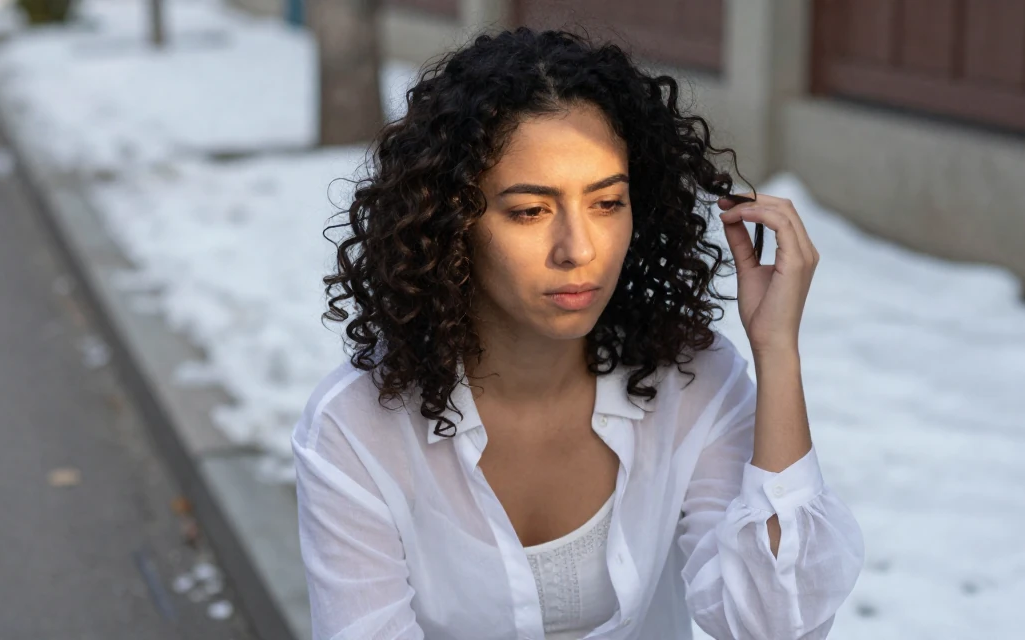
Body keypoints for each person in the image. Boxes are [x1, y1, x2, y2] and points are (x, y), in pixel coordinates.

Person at [290, 26, 864, 640]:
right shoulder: (356, 430)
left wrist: (777, 353)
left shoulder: (690, 381)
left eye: (607, 203)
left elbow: (774, 625)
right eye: (530, 211)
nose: (579, 249)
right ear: (450, 223)